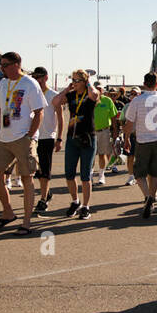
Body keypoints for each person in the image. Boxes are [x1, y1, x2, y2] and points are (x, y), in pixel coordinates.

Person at [0, 52, 44, 235]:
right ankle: (8, 212)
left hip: (22, 138)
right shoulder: (3, 83)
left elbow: (39, 111)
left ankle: (26, 222)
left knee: (27, 178)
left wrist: (30, 136)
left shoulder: (30, 83)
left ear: (17, 64)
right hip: (3, 137)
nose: (2, 69)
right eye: (1, 65)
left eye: (5, 65)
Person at [123, 73, 157, 217]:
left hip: (142, 141)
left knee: (139, 173)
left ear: (144, 84)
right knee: (154, 173)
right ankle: (151, 198)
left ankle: (147, 197)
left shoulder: (137, 101)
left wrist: (126, 138)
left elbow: (129, 123)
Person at [51, 69, 99, 218]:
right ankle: (75, 201)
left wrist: (89, 82)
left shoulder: (90, 94)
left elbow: (95, 95)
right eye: (72, 79)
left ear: (84, 82)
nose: (74, 82)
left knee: (85, 176)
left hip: (87, 139)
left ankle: (85, 206)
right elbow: (55, 102)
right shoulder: (71, 95)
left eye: (77, 80)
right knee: (69, 174)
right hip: (72, 138)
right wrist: (67, 89)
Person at [30, 67, 58, 212]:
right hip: (34, 137)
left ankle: (42, 200)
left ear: (46, 77)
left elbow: (60, 116)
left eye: (39, 77)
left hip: (47, 137)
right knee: (36, 171)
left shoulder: (53, 95)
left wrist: (59, 138)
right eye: (35, 77)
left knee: (45, 170)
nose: (37, 80)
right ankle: (46, 193)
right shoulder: (32, 93)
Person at [92, 81, 119, 185]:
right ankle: (90, 175)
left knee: (102, 154)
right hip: (91, 132)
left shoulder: (107, 101)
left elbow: (113, 118)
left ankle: (101, 175)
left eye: (100, 89)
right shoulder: (88, 100)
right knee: (91, 155)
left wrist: (115, 133)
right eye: (96, 88)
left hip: (104, 131)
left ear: (103, 90)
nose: (98, 90)